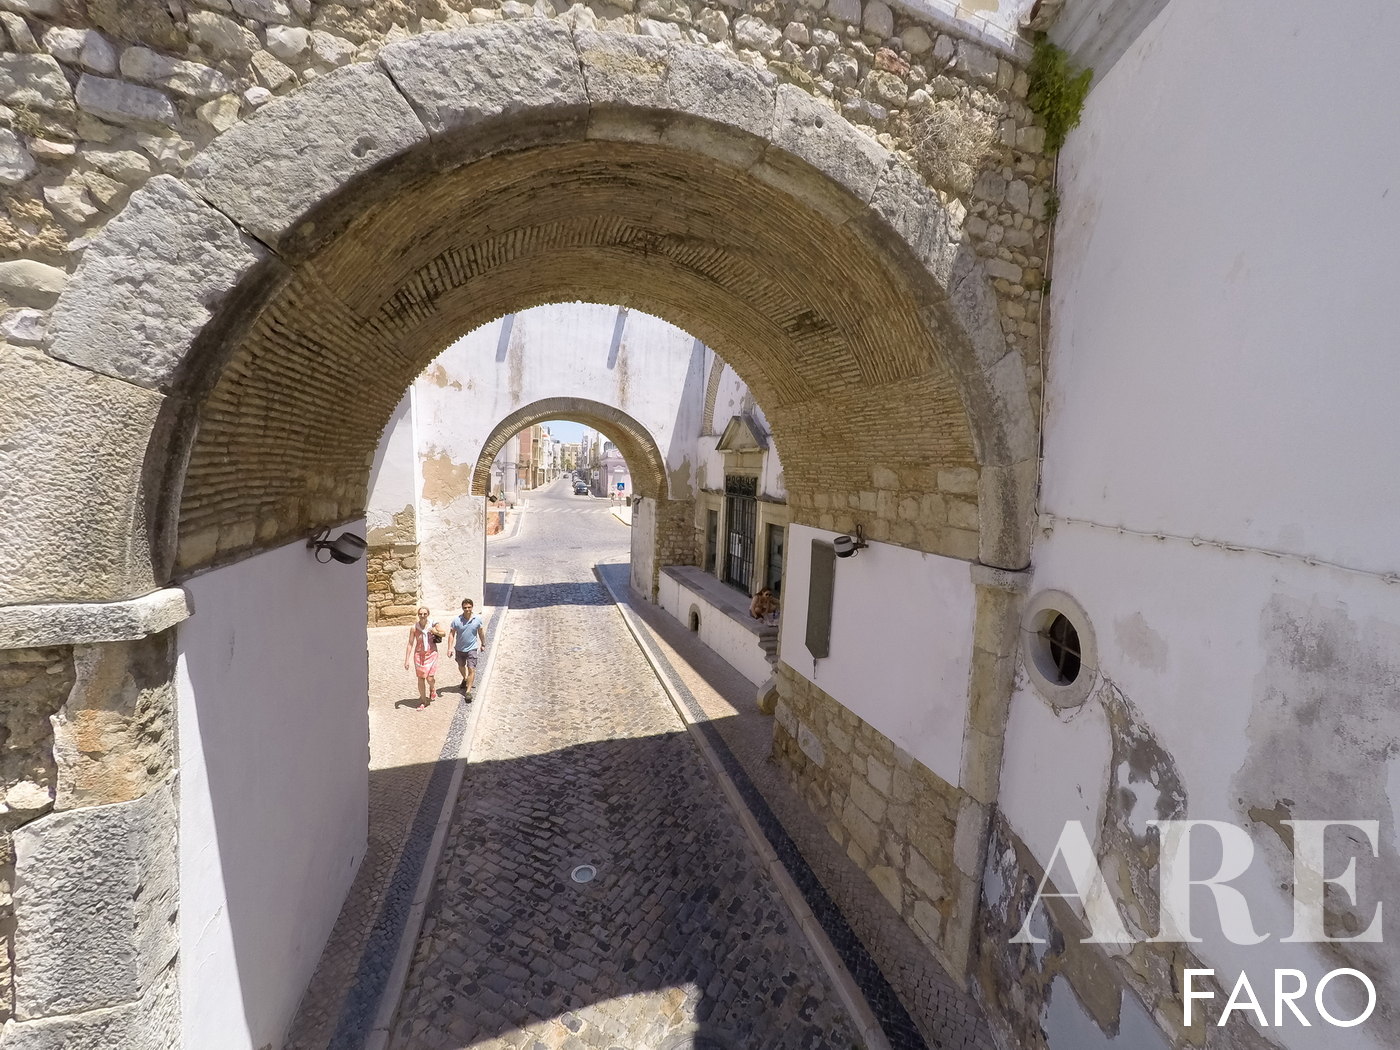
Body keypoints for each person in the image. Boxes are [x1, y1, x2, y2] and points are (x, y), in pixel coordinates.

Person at [448, 598, 487, 702]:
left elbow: (481, 632)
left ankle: (468, 691)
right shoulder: (457, 620)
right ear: (462, 608)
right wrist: (450, 648)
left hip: (472, 648)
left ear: (472, 607)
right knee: (461, 666)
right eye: (465, 607)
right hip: (459, 649)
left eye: (469, 607)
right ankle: (465, 678)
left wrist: (483, 643)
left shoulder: (477, 619)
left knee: (471, 669)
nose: (467, 609)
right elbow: (451, 634)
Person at [403, 606, 440, 709]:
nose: (422, 616)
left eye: (425, 614)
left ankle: (432, 688)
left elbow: (444, 633)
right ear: (418, 615)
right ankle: (423, 701)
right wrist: (407, 660)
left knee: (430, 678)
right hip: (419, 655)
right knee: (421, 678)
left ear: (428, 614)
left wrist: (435, 632)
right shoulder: (414, 628)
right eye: (420, 614)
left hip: (432, 654)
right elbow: (410, 644)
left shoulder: (433, 625)